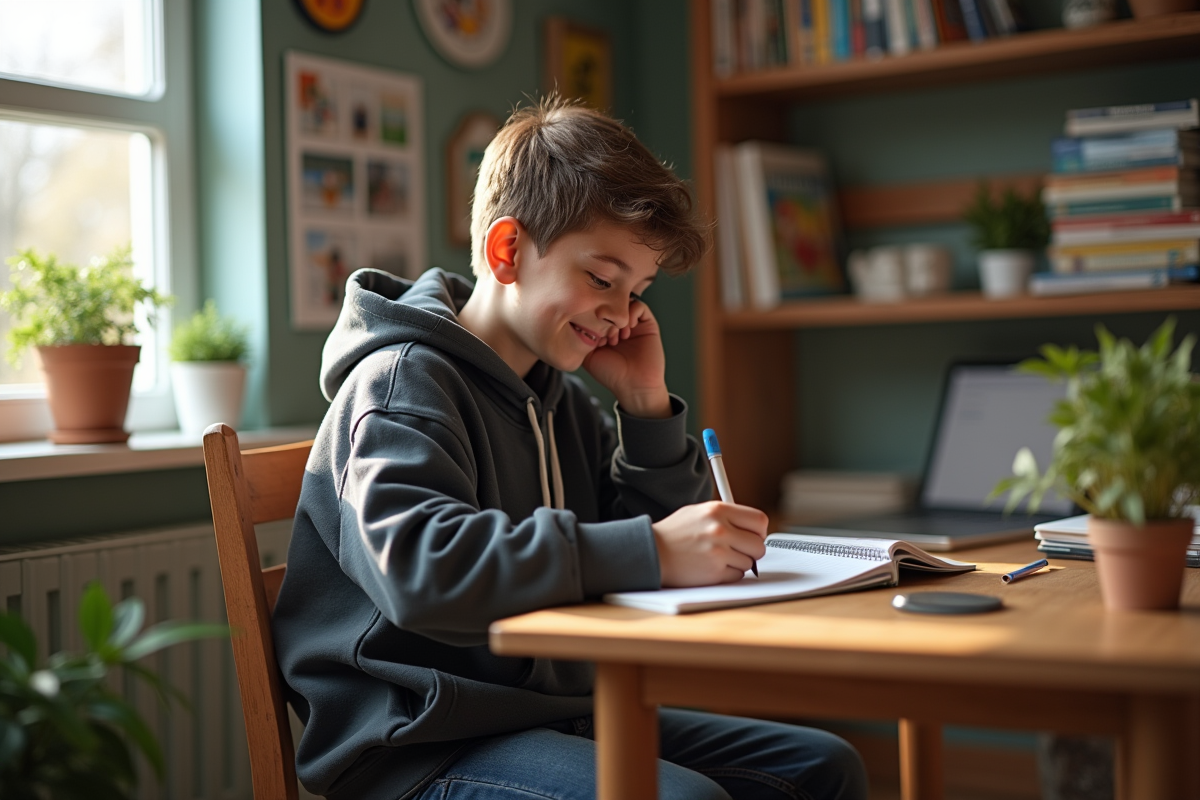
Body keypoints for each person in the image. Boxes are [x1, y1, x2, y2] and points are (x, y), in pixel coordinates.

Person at [272, 96, 869, 800]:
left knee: (823, 767)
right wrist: (651, 550)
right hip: (416, 744)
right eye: (601, 279)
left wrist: (646, 406)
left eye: (637, 290)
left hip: (551, 717)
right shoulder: (402, 384)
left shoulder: (556, 396)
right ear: (507, 251)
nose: (620, 315)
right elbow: (420, 569)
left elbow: (663, 551)